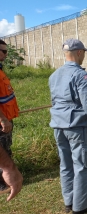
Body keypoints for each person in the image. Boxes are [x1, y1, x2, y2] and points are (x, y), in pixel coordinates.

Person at [49, 38, 87, 214]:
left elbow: (54, 101)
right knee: (82, 165)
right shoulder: (81, 75)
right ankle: (81, 205)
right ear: (80, 52)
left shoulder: (54, 76)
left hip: (58, 126)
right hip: (76, 126)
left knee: (66, 165)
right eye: (84, 54)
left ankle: (69, 201)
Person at [0, 39, 20, 195]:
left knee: (6, 149)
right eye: (4, 51)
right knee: (2, 152)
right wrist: (3, 119)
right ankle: (2, 184)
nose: (6, 55)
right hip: (1, 122)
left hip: (6, 119)